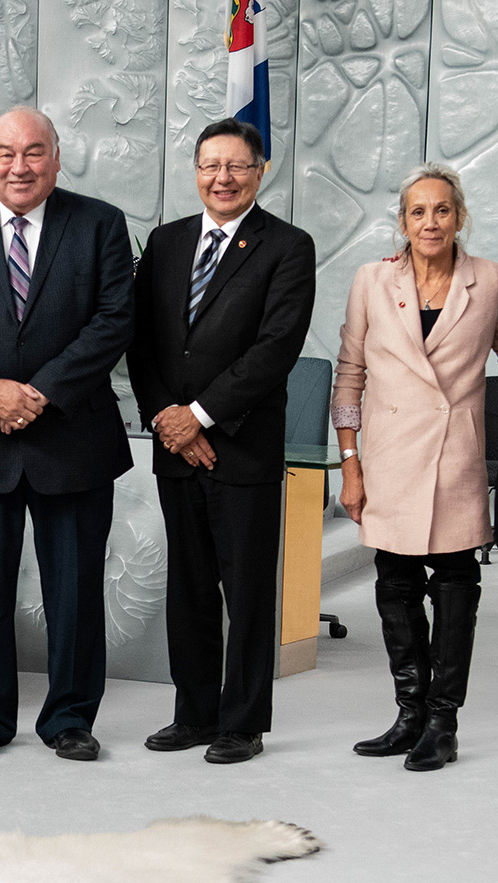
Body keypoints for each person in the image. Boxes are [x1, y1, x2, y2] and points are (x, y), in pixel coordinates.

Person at [0, 107, 135, 762]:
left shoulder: (99, 225)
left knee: (74, 592)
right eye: (6, 153)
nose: (20, 165)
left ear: (57, 159)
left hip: (72, 437)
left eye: (34, 152)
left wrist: (40, 393)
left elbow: (114, 319)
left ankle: (69, 717)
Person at [128, 118, 315, 765]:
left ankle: (242, 721)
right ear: (197, 170)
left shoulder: (288, 248)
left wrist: (200, 417)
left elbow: (274, 350)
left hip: (242, 447)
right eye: (211, 165)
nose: (223, 178)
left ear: (260, 172)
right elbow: (142, 341)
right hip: (175, 449)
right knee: (189, 588)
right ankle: (194, 711)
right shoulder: (166, 241)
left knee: (248, 591)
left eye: (237, 166)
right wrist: (166, 419)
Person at [330, 163, 498, 772]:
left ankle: (443, 721)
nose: (430, 222)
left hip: (456, 458)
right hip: (387, 459)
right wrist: (350, 463)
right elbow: (349, 376)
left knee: (458, 584)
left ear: (460, 216)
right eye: (418, 211)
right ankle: (409, 713)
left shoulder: (489, 280)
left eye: (442, 210)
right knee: (396, 584)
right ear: (403, 221)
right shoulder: (371, 280)